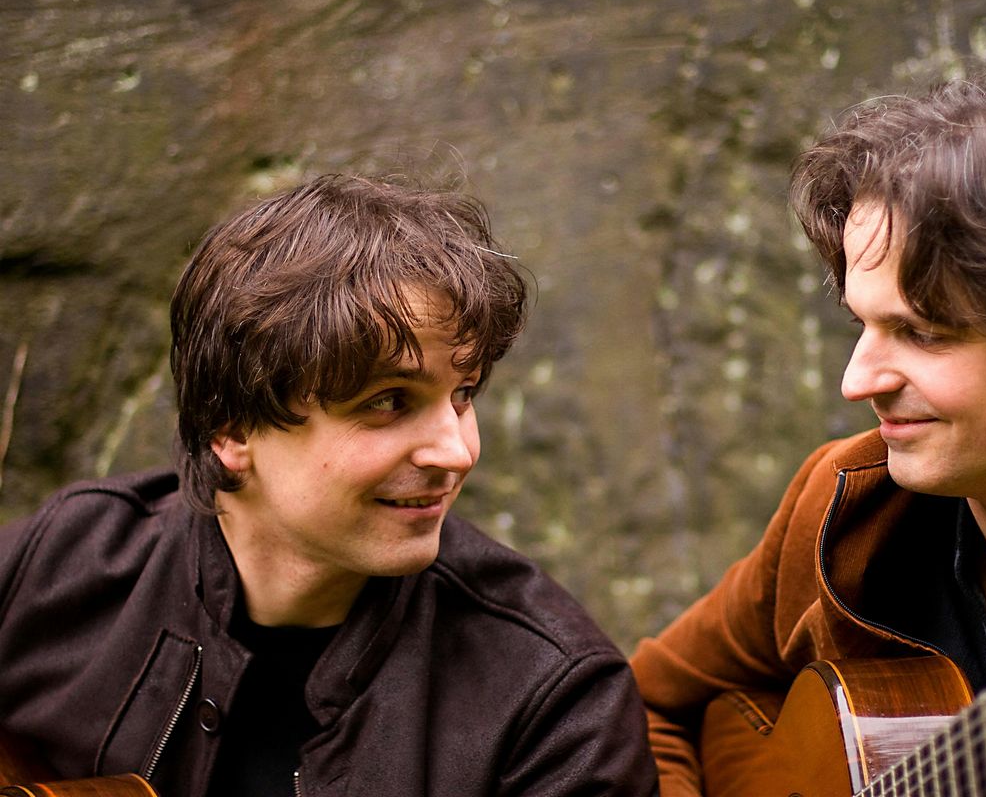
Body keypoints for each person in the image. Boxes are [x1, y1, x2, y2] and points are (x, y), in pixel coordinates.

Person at [630, 73, 986, 797]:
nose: (856, 380)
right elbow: (649, 705)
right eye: (861, 322)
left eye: (922, 333)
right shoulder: (841, 506)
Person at [0, 174, 660, 797]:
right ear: (232, 429)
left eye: (463, 394)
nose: (457, 452)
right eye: (390, 401)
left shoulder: (556, 705)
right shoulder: (62, 562)